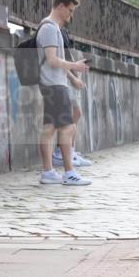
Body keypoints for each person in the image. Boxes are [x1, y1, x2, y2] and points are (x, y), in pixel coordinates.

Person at [36, 0, 91, 186]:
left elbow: (53, 59)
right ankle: (69, 173)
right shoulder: (50, 29)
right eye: (70, 9)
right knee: (67, 127)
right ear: (60, 6)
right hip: (54, 84)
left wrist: (72, 71)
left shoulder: (51, 28)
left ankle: (49, 172)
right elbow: (51, 60)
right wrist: (75, 67)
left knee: (50, 129)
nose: (71, 14)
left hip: (53, 83)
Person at [51, 23, 93, 169]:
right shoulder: (53, 30)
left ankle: (69, 152)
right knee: (71, 115)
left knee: (75, 114)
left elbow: (66, 58)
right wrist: (73, 77)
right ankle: (60, 152)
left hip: (69, 77)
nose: (70, 14)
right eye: (69, 10)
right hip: (64, 79)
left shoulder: (62, 30)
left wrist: (77, 71)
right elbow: (57, 60)